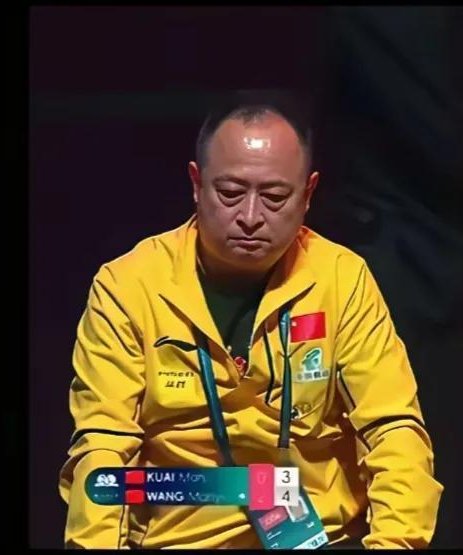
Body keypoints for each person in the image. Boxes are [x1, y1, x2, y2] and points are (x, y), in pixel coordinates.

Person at [58, 91, 442, 549]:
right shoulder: (128, 286)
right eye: (230, 193)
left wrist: (395, 544)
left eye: (275, 196)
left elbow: (394, 431)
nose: (250, 217)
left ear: (308, 194)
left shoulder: (341, 278)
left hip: (321, 536)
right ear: (196, 184)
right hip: (178, 539)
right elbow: (103, 445)